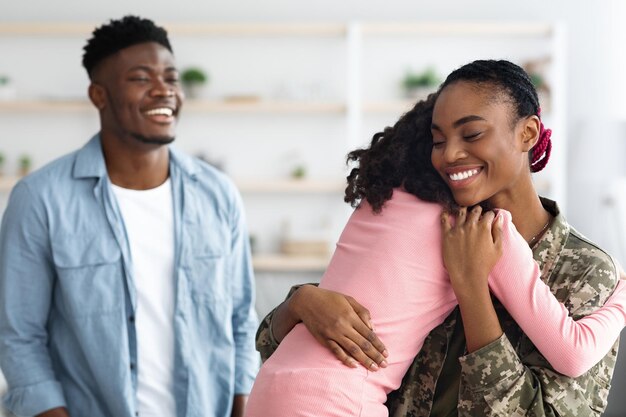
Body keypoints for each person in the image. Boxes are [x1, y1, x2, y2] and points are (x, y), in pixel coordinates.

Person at [254, 60, 623, 416]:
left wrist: (471, 290)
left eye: (472, 133)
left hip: (276, 393)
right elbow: (281, 339)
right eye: (438, 140)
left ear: (528, 133)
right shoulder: (463, 225)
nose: (450, 154)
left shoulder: (585, 271)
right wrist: (300, 301)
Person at [0, 16, 258, 417]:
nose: (164, 90)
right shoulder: (40, 199)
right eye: (141, 78)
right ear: (98, 95)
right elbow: (19, 337)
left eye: (171, 78)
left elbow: (241, 319)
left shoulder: (218, 194)